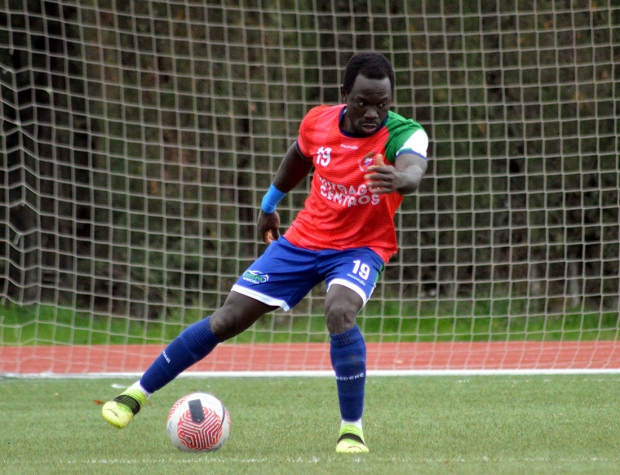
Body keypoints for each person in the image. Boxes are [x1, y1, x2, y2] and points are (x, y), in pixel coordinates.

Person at [102, 51, 429, 454]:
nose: (372, 112)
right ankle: (135, 394)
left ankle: (351, 430)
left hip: (360, 248)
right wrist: (269, 205)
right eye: (363, 102)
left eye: (382, 103)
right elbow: (298, 157)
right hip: (304, 239)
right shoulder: (318, 122)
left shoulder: (404, 134)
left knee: (340, 312)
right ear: (345, 93)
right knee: (227, 319)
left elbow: (414, 170)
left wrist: (400, 177)